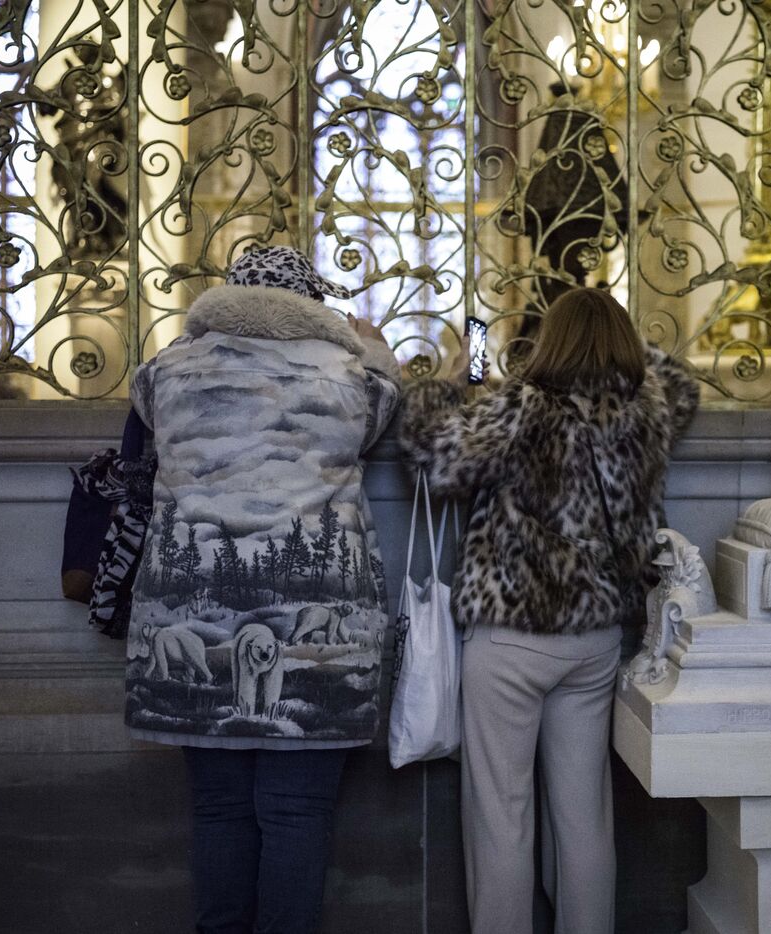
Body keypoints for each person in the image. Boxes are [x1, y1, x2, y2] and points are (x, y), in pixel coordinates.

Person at [398, 287, 699, 934]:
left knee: (501, 816)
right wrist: (621, 354)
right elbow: (682, 382)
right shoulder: (649, 408)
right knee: (583, 815)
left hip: (512, 638)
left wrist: (454, 379)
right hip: (596, 640)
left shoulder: (523, 406)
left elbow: (429, 450)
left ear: (548, 342)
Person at [124, 245, 402, 934]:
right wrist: (372, 346)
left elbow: (145, 409)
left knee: (218, 809)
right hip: (321, 608)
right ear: (313, 304)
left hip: (188, 601)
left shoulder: (170, 370)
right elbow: (386, 403)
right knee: (296, 812)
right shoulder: (347, 375)